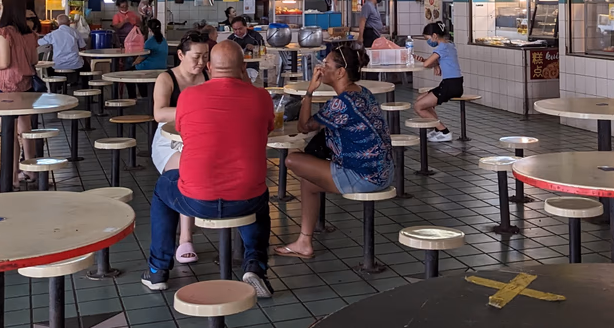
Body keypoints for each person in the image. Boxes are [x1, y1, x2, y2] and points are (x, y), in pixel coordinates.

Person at [142, 41, 274, 297]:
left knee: (163, 187)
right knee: (259, 196)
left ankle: (158, 270)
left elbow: (183, 130)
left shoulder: (189, 97)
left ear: (210, 67)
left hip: (196, 200)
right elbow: (267, 127)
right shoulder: (261, 97)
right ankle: (255, 266)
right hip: (246, 199)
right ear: (243, 68)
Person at [274, 46, 394, 260]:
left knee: (293, 160)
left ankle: (304, 242)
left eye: (326, 65)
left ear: (340, 72)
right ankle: (304, 242)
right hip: (384, 170)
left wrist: (310, 90)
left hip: (365, 175)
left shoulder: (341, 103)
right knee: (308, 182)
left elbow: (303, 126)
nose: (321, 69)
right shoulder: (362, 93)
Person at [149, 30, 211, 264]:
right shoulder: (166, 79)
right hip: (168, 141)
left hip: (199, 138)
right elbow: (159, 113)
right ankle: (185, 238)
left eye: (205, 56)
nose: (201, 62)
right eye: (196, 57)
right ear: (181, 55)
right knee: (187, 169)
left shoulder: (208, 76)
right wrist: (195, 110)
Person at [0, 0, 40, 191]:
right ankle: (31, 171)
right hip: (26, 84)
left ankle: (12, 179)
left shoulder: (5, 32)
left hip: (8, 86)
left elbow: (4, 63)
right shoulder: (30, 32)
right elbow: (34, 60)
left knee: (9, 132)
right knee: (26, 130)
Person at [413, 22, 463, 142]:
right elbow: (434, 62)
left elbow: (426, 64)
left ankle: (444, 131)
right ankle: (437, 129)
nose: (428, 42)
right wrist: (434, 64)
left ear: (434, 36)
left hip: (450, 85)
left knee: (418, 106)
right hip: (454, 83)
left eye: (427, 39)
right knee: (421, 99)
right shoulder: (450, 45)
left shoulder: (442, 47)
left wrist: (428, 62)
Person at [128, 19, 168, 99]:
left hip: (149, 67)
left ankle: (134, 97)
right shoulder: (164, 41)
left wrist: (134, 62)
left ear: (149, 29)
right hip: (162, 66)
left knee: (128, 74)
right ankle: (145, 96)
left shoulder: (149, 42)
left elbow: (141, 57)